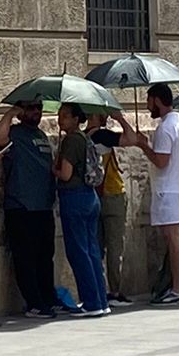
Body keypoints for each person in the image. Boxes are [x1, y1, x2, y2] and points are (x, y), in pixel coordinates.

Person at [0, 99, 59, 316]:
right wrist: (10, 114)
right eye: (31, 108)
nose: (36, 112)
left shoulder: (41, 135)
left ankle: (49, 298)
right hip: (21, 206)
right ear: (22, 112)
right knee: (26, 258)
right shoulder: (15, 133)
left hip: (43, 206)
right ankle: (34, 303)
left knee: (45, 257)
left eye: (38, 108)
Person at [133, 85, 179, 305]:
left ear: (157, 100)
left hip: (168, 189)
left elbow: (161, 161)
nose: (148, 106)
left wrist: (143, 145)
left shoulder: (166, 128)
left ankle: (178, 288)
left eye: (149, 101)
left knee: (173, 239)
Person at [53, 104, 110, 316]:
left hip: (74, 198)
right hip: (90, 196)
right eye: (60, 116)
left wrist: (54, 169)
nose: (61, 120)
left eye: (66, 116)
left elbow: (66, 174)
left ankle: (91, 302)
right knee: (92, 250)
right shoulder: (85, 139)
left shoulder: (71, 141)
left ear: (77, 119)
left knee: (78, 251)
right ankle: (100, 299)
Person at [89, 113, 131, 303]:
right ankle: (114, 291)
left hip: (94, 196)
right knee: (115, 248)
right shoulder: (103, 135)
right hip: (112, 194)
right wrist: (121, 119)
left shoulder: (83, 138)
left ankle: (98, 287)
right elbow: (131, 139)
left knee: (97, 247)